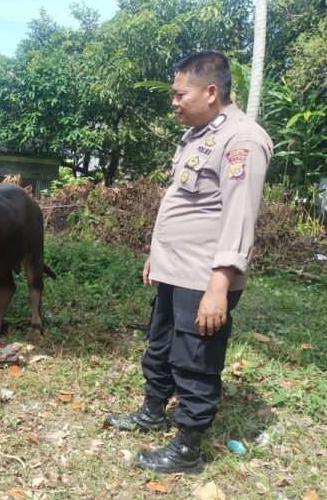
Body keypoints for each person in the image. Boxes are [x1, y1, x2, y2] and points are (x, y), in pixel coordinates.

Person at [105, 51, 273, 474]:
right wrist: (156, 256)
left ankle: (187, 449)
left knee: (195, 360)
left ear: (211, 91)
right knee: (160, 346)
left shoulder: (242, 140)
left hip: (204, 276)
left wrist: (220, 285)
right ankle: (151, 411)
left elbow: (239, 217)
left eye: (181, 94)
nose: (174, 102)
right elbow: (186, 206)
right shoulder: (201, 135)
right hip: (174, 269)